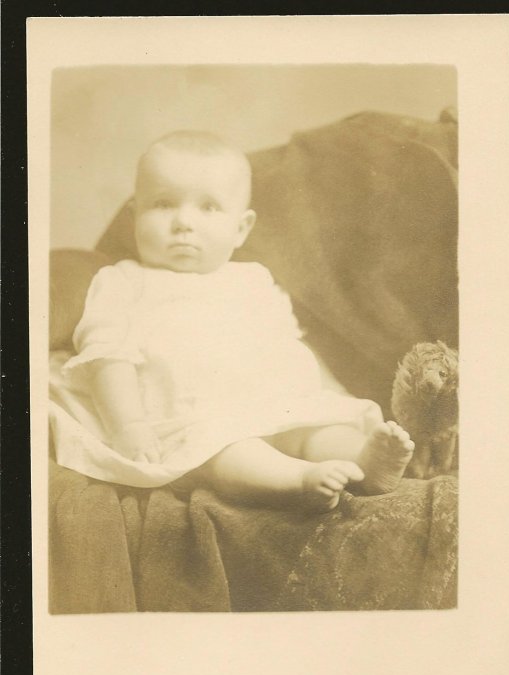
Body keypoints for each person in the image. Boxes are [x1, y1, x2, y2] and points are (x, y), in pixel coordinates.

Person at [50, 131, 414, 512]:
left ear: (240, 228)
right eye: (162, 204)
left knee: (317, 429)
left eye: (207, 207)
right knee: (227, 451)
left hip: (273, 402)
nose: (183, 222)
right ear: (134, 216)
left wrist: (335, 396)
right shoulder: (122, 281)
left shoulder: (253, 279)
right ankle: (296, 481)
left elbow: (291, 344)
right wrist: (129, 428)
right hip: (190, 416)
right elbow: (108, 357)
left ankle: (365, 462)